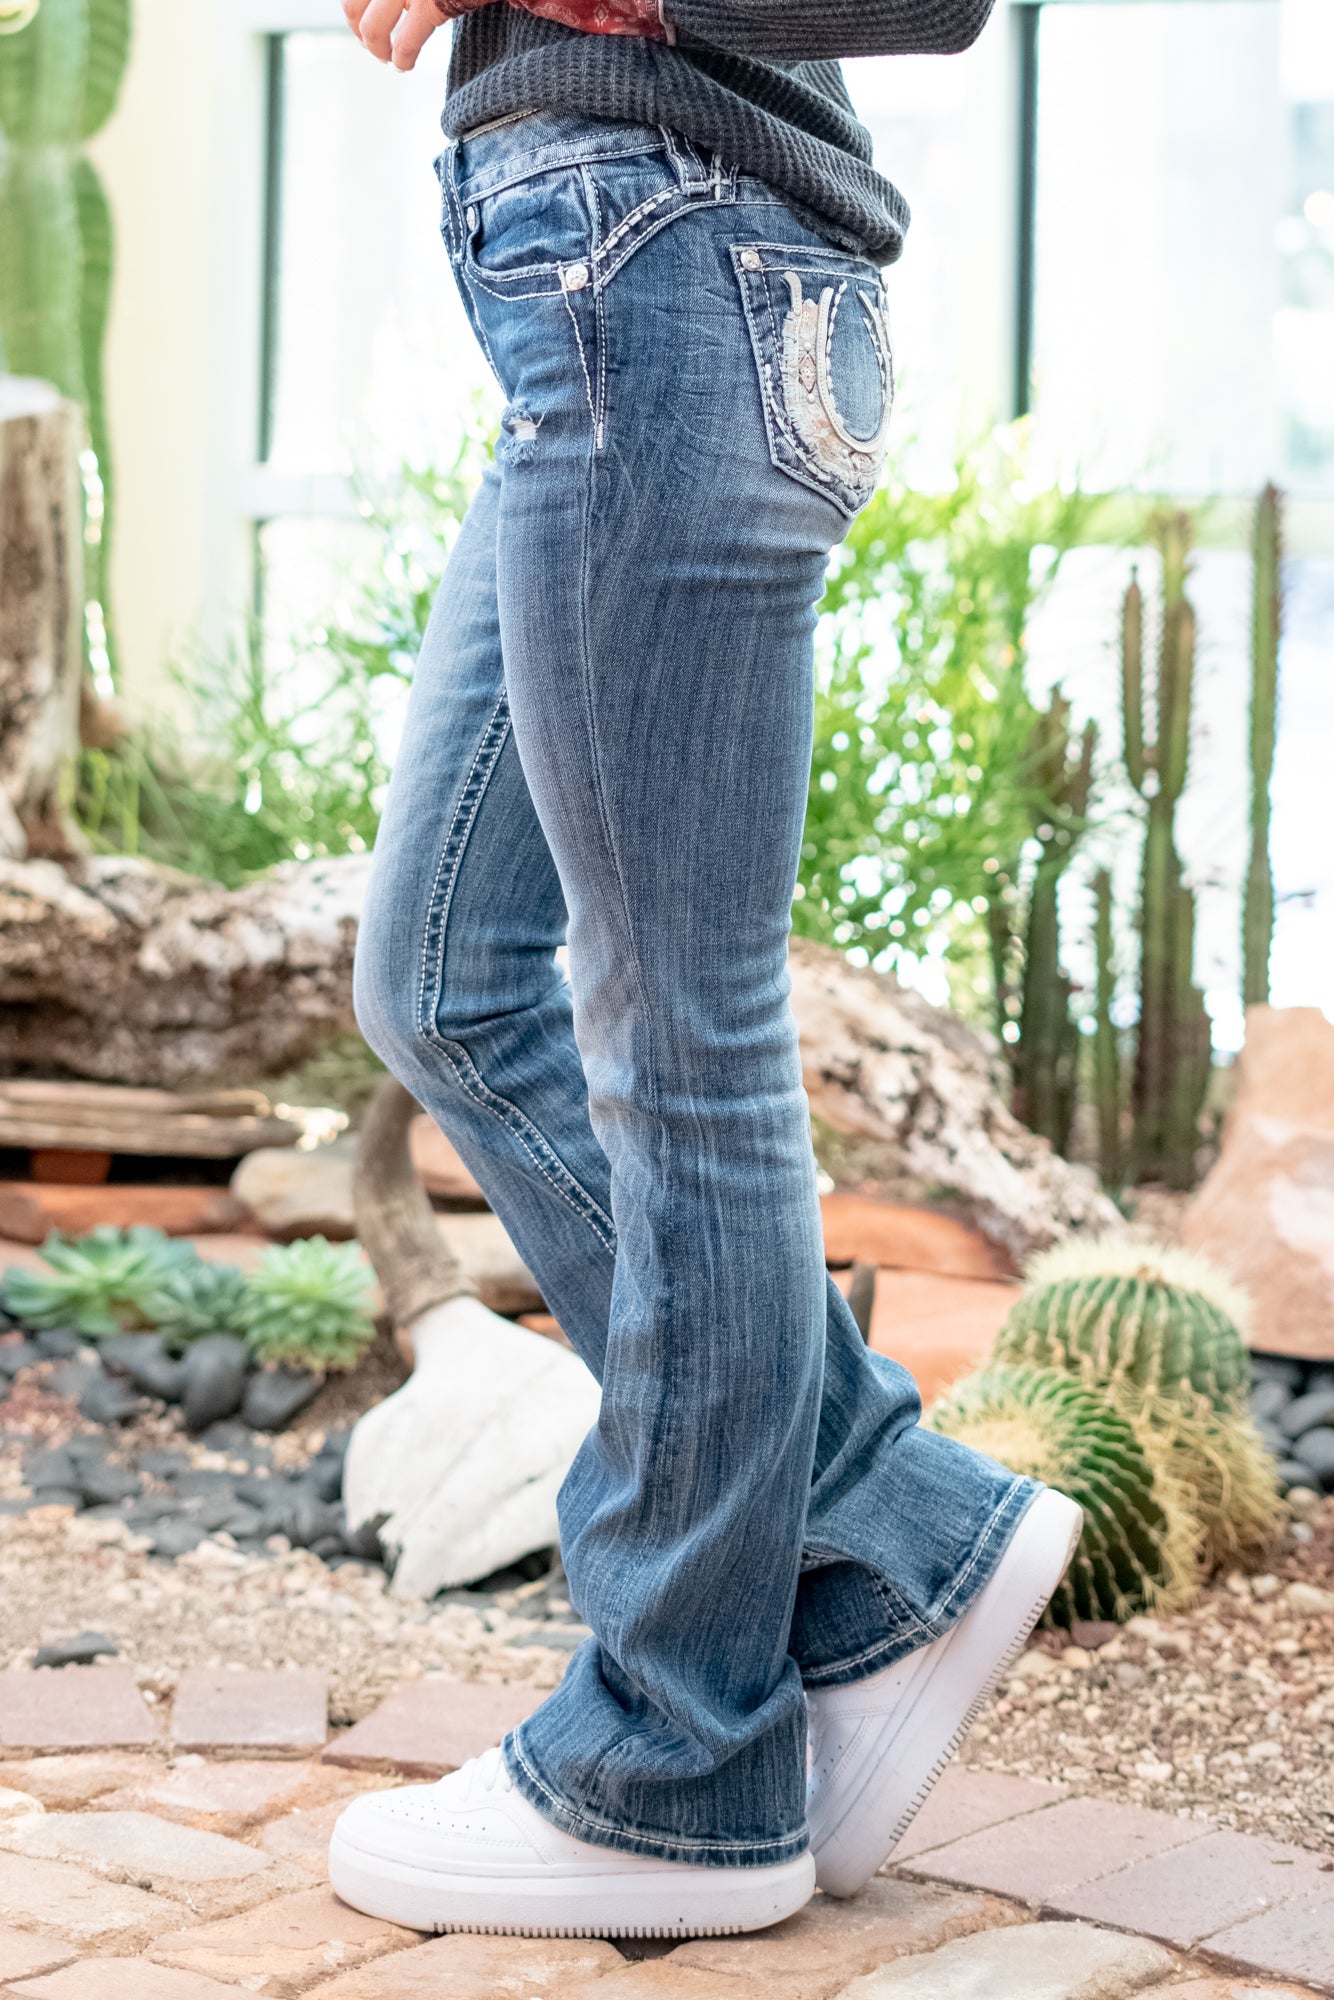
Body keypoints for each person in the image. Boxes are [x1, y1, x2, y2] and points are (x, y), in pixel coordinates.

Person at [330, 0, 1082, 1940]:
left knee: (681, 1027)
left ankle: (679, 1757)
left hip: (655, 253)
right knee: (444, 975)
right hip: (586, 268)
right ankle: (887, 1522)